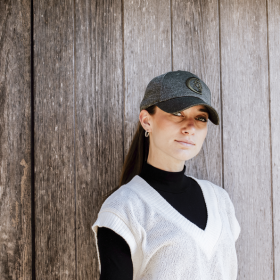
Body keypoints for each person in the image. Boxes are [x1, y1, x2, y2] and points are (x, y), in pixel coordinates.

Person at [92, 70, 241, 280]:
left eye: (200, 118)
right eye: (177, 113)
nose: (190, 127)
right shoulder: (125, 208)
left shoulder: (220, 200)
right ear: (146, 120)